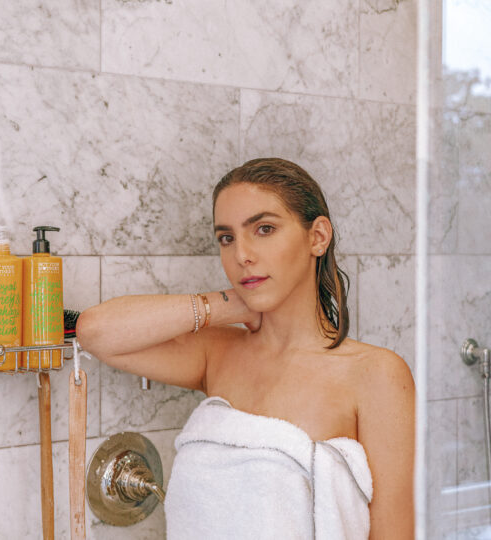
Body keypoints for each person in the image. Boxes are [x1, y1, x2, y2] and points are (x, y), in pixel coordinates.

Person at [76, 157, 415, 539]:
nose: (241, 255)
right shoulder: (219, 352)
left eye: (264, 229)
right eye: (227, 238)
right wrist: (225, 305)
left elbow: (394, 532)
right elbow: (93, 331)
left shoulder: (375, 373)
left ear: (318, 237)